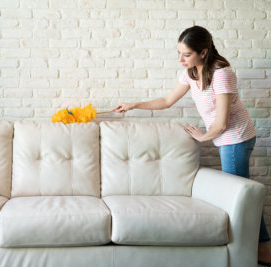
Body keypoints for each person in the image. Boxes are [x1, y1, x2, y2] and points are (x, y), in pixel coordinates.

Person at [112, 25, 271, 266]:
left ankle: (260, 250)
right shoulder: (190, 73)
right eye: (179, 53)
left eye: (186, 55)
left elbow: (222, 122)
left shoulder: (221, 73)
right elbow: (167, 101)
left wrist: (202, 137)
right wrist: (133, 105)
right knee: (242, 193)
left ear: (204, 52)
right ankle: (263, 248)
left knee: (239, 196)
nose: (180, 59)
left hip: (236, 137)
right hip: (223, 137)